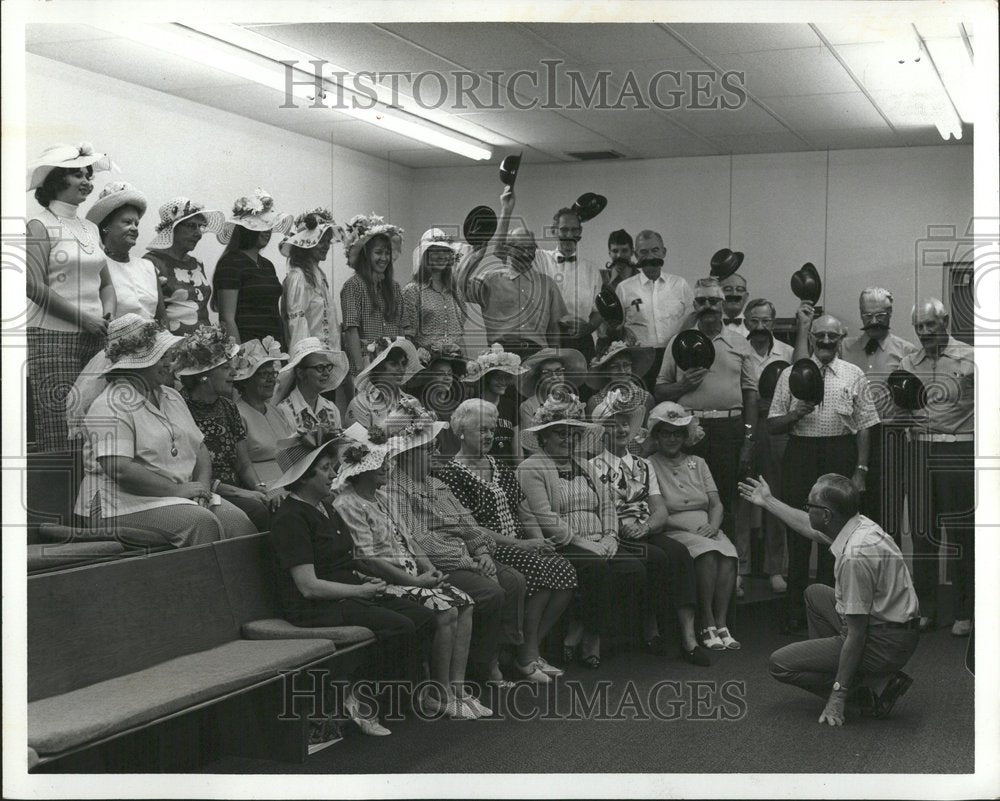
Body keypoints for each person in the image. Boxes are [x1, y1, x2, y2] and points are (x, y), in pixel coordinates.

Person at [268, 428, 435, 736]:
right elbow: (308, 586)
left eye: (333, 468)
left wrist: (363, 579)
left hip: (348, 593)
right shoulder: (290, 518)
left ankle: (375, 691)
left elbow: (342, 562)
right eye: (326, 469)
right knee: (400, 626)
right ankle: (361, 695)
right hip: (314, 607)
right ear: (304, 477)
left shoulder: (325, 508)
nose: (334, 474)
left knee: (423, 617)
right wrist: (360, 590)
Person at [740, 473, 920, 725]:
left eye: (809, 505)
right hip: (893, 628)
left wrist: (837, 696)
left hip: (885, 642)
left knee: (780, 664)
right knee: (814, 595)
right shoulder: (857, 524)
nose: (806, 509)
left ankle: (865, 692)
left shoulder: (855, 557)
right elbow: (808, 525)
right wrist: (768, 500)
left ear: (825, 515)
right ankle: (852, 674)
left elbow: (857, 634)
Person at [334, 424, 482, 720]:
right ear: (361, 469)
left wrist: (429, 568)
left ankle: (456, 688)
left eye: (387, 461)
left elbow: (410, 538)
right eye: (380, 463)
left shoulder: (383, 497)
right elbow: (368, 560)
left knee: (465, 602)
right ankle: (437, 695)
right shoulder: (348, 504)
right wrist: (415, 581)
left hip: (414, 575)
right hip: (386, 582)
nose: (388, 467)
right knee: (445, 610)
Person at [74, 314, 256, 546]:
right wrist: (178, 490)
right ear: (139, 362)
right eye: (162, 356)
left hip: (178, 496)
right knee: (201, 523)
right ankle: (196, 583)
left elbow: (199, 447)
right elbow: (120, 470)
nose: (171, 361)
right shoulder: (110, 404)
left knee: (239, 522)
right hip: (117, 503)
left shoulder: (171, 396)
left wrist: (201, 488)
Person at [383, 400, 527, 692]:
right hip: (441, 564)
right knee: (491, 591)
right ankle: (484, 667)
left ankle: (491, 660)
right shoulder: (394, 489)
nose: (435, 453)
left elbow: (469, 524)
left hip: (465, 557)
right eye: (428, 449)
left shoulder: (435, 483)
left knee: (515, 581)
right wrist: (469, 563)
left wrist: (483, 552)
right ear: (408, 454)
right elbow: (419, 540)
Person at [438, 399, 578, 682]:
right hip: (488, 548)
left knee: (564, 569)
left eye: (491, 430)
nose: (489, 436)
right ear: (461, 432)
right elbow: (471, 527)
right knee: (539, 573)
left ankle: (529, 649)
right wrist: (522, 546)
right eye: (481, 430)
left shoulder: (498, 464)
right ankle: (525, 657)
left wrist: (539, 542)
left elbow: (524, 509)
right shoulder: (451, 473)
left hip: (519, 544)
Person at [768, 313, 880, 632]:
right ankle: (794, 611)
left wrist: (860, 471)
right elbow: (772, 424)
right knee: (798, 534)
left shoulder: (853, 374)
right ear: (811, 338)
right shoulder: (791, 374)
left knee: (836, 538)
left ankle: (832, 613)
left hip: (840, 454)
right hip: (800, 454)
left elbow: (865, 426)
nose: (827, 341)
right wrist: (795, 413)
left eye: (834, 336)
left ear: (841, 337)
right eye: (821, 336)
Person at [517, 391, 645, 668]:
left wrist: (611, 536)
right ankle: (590, 638)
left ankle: (584, 625)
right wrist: (584, 543)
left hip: (599, 539)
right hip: (562, 542)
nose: (568, 439)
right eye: (560, 433)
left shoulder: (584, 465)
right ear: (544, 437)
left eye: (573, 434)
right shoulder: (532, 467)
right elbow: (545, 517)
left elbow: (608, 505)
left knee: (633, 569)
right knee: (596, 568)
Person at [590, 390, 712, 665]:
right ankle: (650, 628)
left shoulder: (643, 465)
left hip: (645, 530)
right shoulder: (593, 467)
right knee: (656, 558)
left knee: (680, 553)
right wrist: (624, 528)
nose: (621, 429)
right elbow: (600, 510)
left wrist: (645, 527)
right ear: (602, 430)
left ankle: (689, 639)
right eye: (613, 424)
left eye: (625, 423)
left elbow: (660, 509)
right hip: (614, 532)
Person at [654, 277, 759, 595]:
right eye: (702, 301)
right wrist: (684, 386)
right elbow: (659, 390)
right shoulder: (679, 343)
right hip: (689, 430)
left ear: (724, 304)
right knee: (688, 501)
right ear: (695, 305)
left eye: (716, 300)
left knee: (725, 501)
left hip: (729, 430)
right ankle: (694, 574)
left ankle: (731, 574)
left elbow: (751, 395)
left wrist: (749, 438)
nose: (710, 307)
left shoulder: (740, 343)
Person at [25, 142, 118, 451]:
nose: (86, 181)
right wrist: (84, 320)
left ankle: (92, 498)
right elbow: (33, 286)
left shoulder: (90, 227)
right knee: (60, 426)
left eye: (87, 174)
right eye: (77, 175)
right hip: (53, 337)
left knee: (98, 423)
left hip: (96, 336)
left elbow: (105, 283)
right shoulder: (39, 225)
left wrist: (107, 313)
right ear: (55, 181)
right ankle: (61, 499)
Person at [899, 298, 974, 636]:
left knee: (960, 535)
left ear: (945, 321)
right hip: (918, 452)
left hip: (957, 452)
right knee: (921, 534)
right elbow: (899, 408)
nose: (925, 333)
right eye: (919, 327)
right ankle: (926, 609)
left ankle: (964, 612)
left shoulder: (971, 359)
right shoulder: (907, 362)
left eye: (931, 325)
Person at [646, 402, 741, 651]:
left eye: (677, 433)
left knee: (729, 556)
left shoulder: (698, 462)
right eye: (666, 433)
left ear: (685, 436)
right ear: (656, 436)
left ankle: (722, 624)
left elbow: (717, 504)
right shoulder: (648, 464)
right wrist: (691, 529)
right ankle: (706, 621)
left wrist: (713, 526)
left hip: (707, 528)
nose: (672, 439)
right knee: (708, 555)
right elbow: (656, 509)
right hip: (675, 530)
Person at [174, 325, 273, 531]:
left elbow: (244, 464)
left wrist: (259, 487)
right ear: (205, 375)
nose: (234, 373)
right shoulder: (180, 407)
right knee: (259, 512)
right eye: (226, 368)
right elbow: (191, 473)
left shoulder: (228, 407)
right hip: (205, 492)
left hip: (239, 489)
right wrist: (245, 494)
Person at [841, 287, 917, 544]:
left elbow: (917, 401)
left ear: (891, 313)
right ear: (860, 314)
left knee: (889, 510)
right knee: (852, 509)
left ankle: (887, 578)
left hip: (890, 437)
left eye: (880, 315)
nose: (873, 321)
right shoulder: (845, 347)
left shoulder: (906, 351)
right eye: (867, 315)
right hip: (851, 437)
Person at [466, 188, 567, 359]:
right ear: (509, 250)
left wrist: (554, 356)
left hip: (537, 354)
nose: (527, 253)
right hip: (501, 355)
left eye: (531, 248)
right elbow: (458, 289)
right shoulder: (490, 280)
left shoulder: (547, 284)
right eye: (521, 249)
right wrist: (473, 258)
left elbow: (554, 328)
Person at [744, 298, 794, 594]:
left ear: (773, 323)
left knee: (775, 496)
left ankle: (775, 568)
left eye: (766, 321)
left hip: (777, 429)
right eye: (754, 321)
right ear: (746, 321)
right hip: (746, 424)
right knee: (742, 495)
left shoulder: (786, 353)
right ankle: (741, 566)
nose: (760, 327)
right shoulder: (738, 349)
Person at [615, 229, 695, 388]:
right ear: (636, 255)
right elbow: (617, 327)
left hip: (675, 357)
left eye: (655, 250)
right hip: (639, 361)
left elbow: (693, 317)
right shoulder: (624, 288)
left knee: (671, 408)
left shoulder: (680, 285)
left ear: (664, 252)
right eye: (643, 252)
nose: (650, 256)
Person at [212, 188, 292, 346]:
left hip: (274, 347)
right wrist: (240, 355)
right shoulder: (230, 263)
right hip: (249, 348)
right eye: (260, 226)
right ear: (245, 229)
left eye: (269, 226)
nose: (267, 231)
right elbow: (227, 318)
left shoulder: (267, 265)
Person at [144, 197, 226, 335]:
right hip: (173, 346)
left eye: (200, 226)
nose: (199, 233)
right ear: (173, 229)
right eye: (191, 226)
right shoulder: (151, 262)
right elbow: (152, 315)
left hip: (206, 345)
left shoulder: (197, 264)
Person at [85, 181, 164, 322]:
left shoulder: (148, 267)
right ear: (106, 227)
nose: (134, 228)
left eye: (136, 224)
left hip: (154, 341)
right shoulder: (95, 263)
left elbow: (162, 318)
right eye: (127, 222)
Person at [533, 206, 603, 363]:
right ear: (553, 231)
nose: (569, 235)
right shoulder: (539, 259)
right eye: (564, 229)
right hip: (546, 339)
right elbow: (506, 250)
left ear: (580, 232)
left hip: (581, 342)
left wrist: (589, 328)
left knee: (584, 387)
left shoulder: (591, 269)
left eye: (574, 230)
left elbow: (598, 311)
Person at [339, 213, 405, 377]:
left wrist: (402, 365)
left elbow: (401, 328)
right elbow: (351, 330)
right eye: (378, 252)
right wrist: (361, 371)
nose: (384, 258)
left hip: (392, 366)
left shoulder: (394, 288)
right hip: (367, 365)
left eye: (387, 253)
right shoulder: (353, 286)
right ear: (365, 254)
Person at [232, 337, 295, 486]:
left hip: (291, 479)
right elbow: (241, 466)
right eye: (264, 375)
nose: (271, 380)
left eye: (272, 374)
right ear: (246, 381)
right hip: (263, 485)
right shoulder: (237, 414)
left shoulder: (276, 411)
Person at [280, 207, 342, 351]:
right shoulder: (298, 277)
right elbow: (297, 327)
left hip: (325, 358)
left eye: (328, 241)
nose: (326, 246)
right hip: (313, 361)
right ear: (307, 243)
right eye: (321, 241)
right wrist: (307, 360)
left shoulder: (318, 275)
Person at [459, 344, 527, 463]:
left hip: (508, 470)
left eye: (506, 377)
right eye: (498, 378)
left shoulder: (510, 406)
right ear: (487, 379)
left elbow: (516, 447)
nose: (504, 382)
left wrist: (519, 473)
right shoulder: (472, 407)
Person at [402, 229, 467, 350]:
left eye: (445, 251)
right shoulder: (413, 291)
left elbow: (460, 331)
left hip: (457, 360)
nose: (442, 256)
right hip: (428, 363)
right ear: (425, 255)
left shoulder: (455, 290)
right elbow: (407, 335)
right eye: (436, 251)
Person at [275, 337, 351, 432]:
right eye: (320, 367)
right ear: (300, 373)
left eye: (328, 366)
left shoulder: (331, 409)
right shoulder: (284, 411)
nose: (327, 373)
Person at [346, 336, 422, 429]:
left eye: (403, 363)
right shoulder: (360, 404)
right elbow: (357, 442)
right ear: (379, 367)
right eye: (393, 364)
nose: (402, 369)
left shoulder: (410, 400)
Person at [406, 341, 467, 456]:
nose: (447, 378)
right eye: (440, 374)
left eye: (449, 374)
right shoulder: (420, 407)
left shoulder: (457, 406)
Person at [584, 340, 656, 426]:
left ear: (632, 368)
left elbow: (649, 433)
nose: (622, 371)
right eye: (615, 366)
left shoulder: (646, 398)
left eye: (626, 365)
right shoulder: (595, 402)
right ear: (606, 372)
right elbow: (593, 435)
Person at [517, 347, 588, 433]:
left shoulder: (575, 403)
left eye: (559, 372)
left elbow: (582, 434)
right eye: (547, 373)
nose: (554, 377)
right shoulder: (528, 406)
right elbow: (529, 438)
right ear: (538, 378)